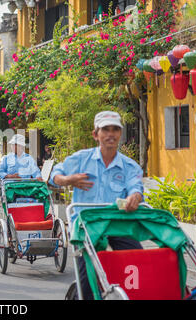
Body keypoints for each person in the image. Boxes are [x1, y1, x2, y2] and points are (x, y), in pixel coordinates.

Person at [48, 110, 144, 300]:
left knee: (138, 261)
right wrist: (68, 179)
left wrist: (135, 196)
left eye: (115, 129)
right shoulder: (82, 159)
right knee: (87, 277)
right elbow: (55, 175)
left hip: (117, 224)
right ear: (96, 134)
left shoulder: (129, 166)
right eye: (105, 130)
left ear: (120, 134)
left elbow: (136, 187)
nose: (110, 134)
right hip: (87, 225)